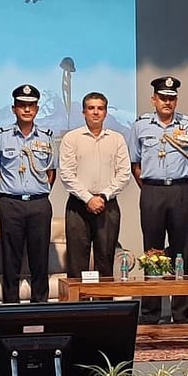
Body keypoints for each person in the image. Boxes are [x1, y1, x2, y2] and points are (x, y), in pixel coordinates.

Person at [127, 76, 188, 324]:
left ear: (176, 100)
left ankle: (180, 313)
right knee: (152, 250)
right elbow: (135, 164)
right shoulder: (141, 125)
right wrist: (151, 187)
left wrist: (183, 187)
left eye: (171, 98)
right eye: (163, 98)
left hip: (181, 190)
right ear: (154, 99)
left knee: (181, 249)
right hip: (152, 191)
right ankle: (151, 312)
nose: (167, 102)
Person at [0, 84, 57, 303]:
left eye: (30, 105)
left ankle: (40, 306)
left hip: (39, 204)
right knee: (11, 259)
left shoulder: (47, 137)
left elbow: (51, 172)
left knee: (40, 259)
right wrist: (8, 194)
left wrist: (37, 192)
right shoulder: (1, 136)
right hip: (11, 204)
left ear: (37, 109)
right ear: (14, 108)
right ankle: (11, 307)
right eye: (22, 105)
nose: (26, 109)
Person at [59, 92, 131, 279]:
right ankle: (77, 308)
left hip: (107, 205)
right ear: (84, 112)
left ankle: (103, 307)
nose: (96, 112)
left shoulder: (117, 139)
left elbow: (124, 173)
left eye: (100, 108)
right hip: (78, 205)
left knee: (105, 262)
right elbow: (66, 174)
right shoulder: (71, 138)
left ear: (106, 112)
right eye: (91, 108)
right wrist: (88, 198)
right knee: (76, 263)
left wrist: (104, 196)